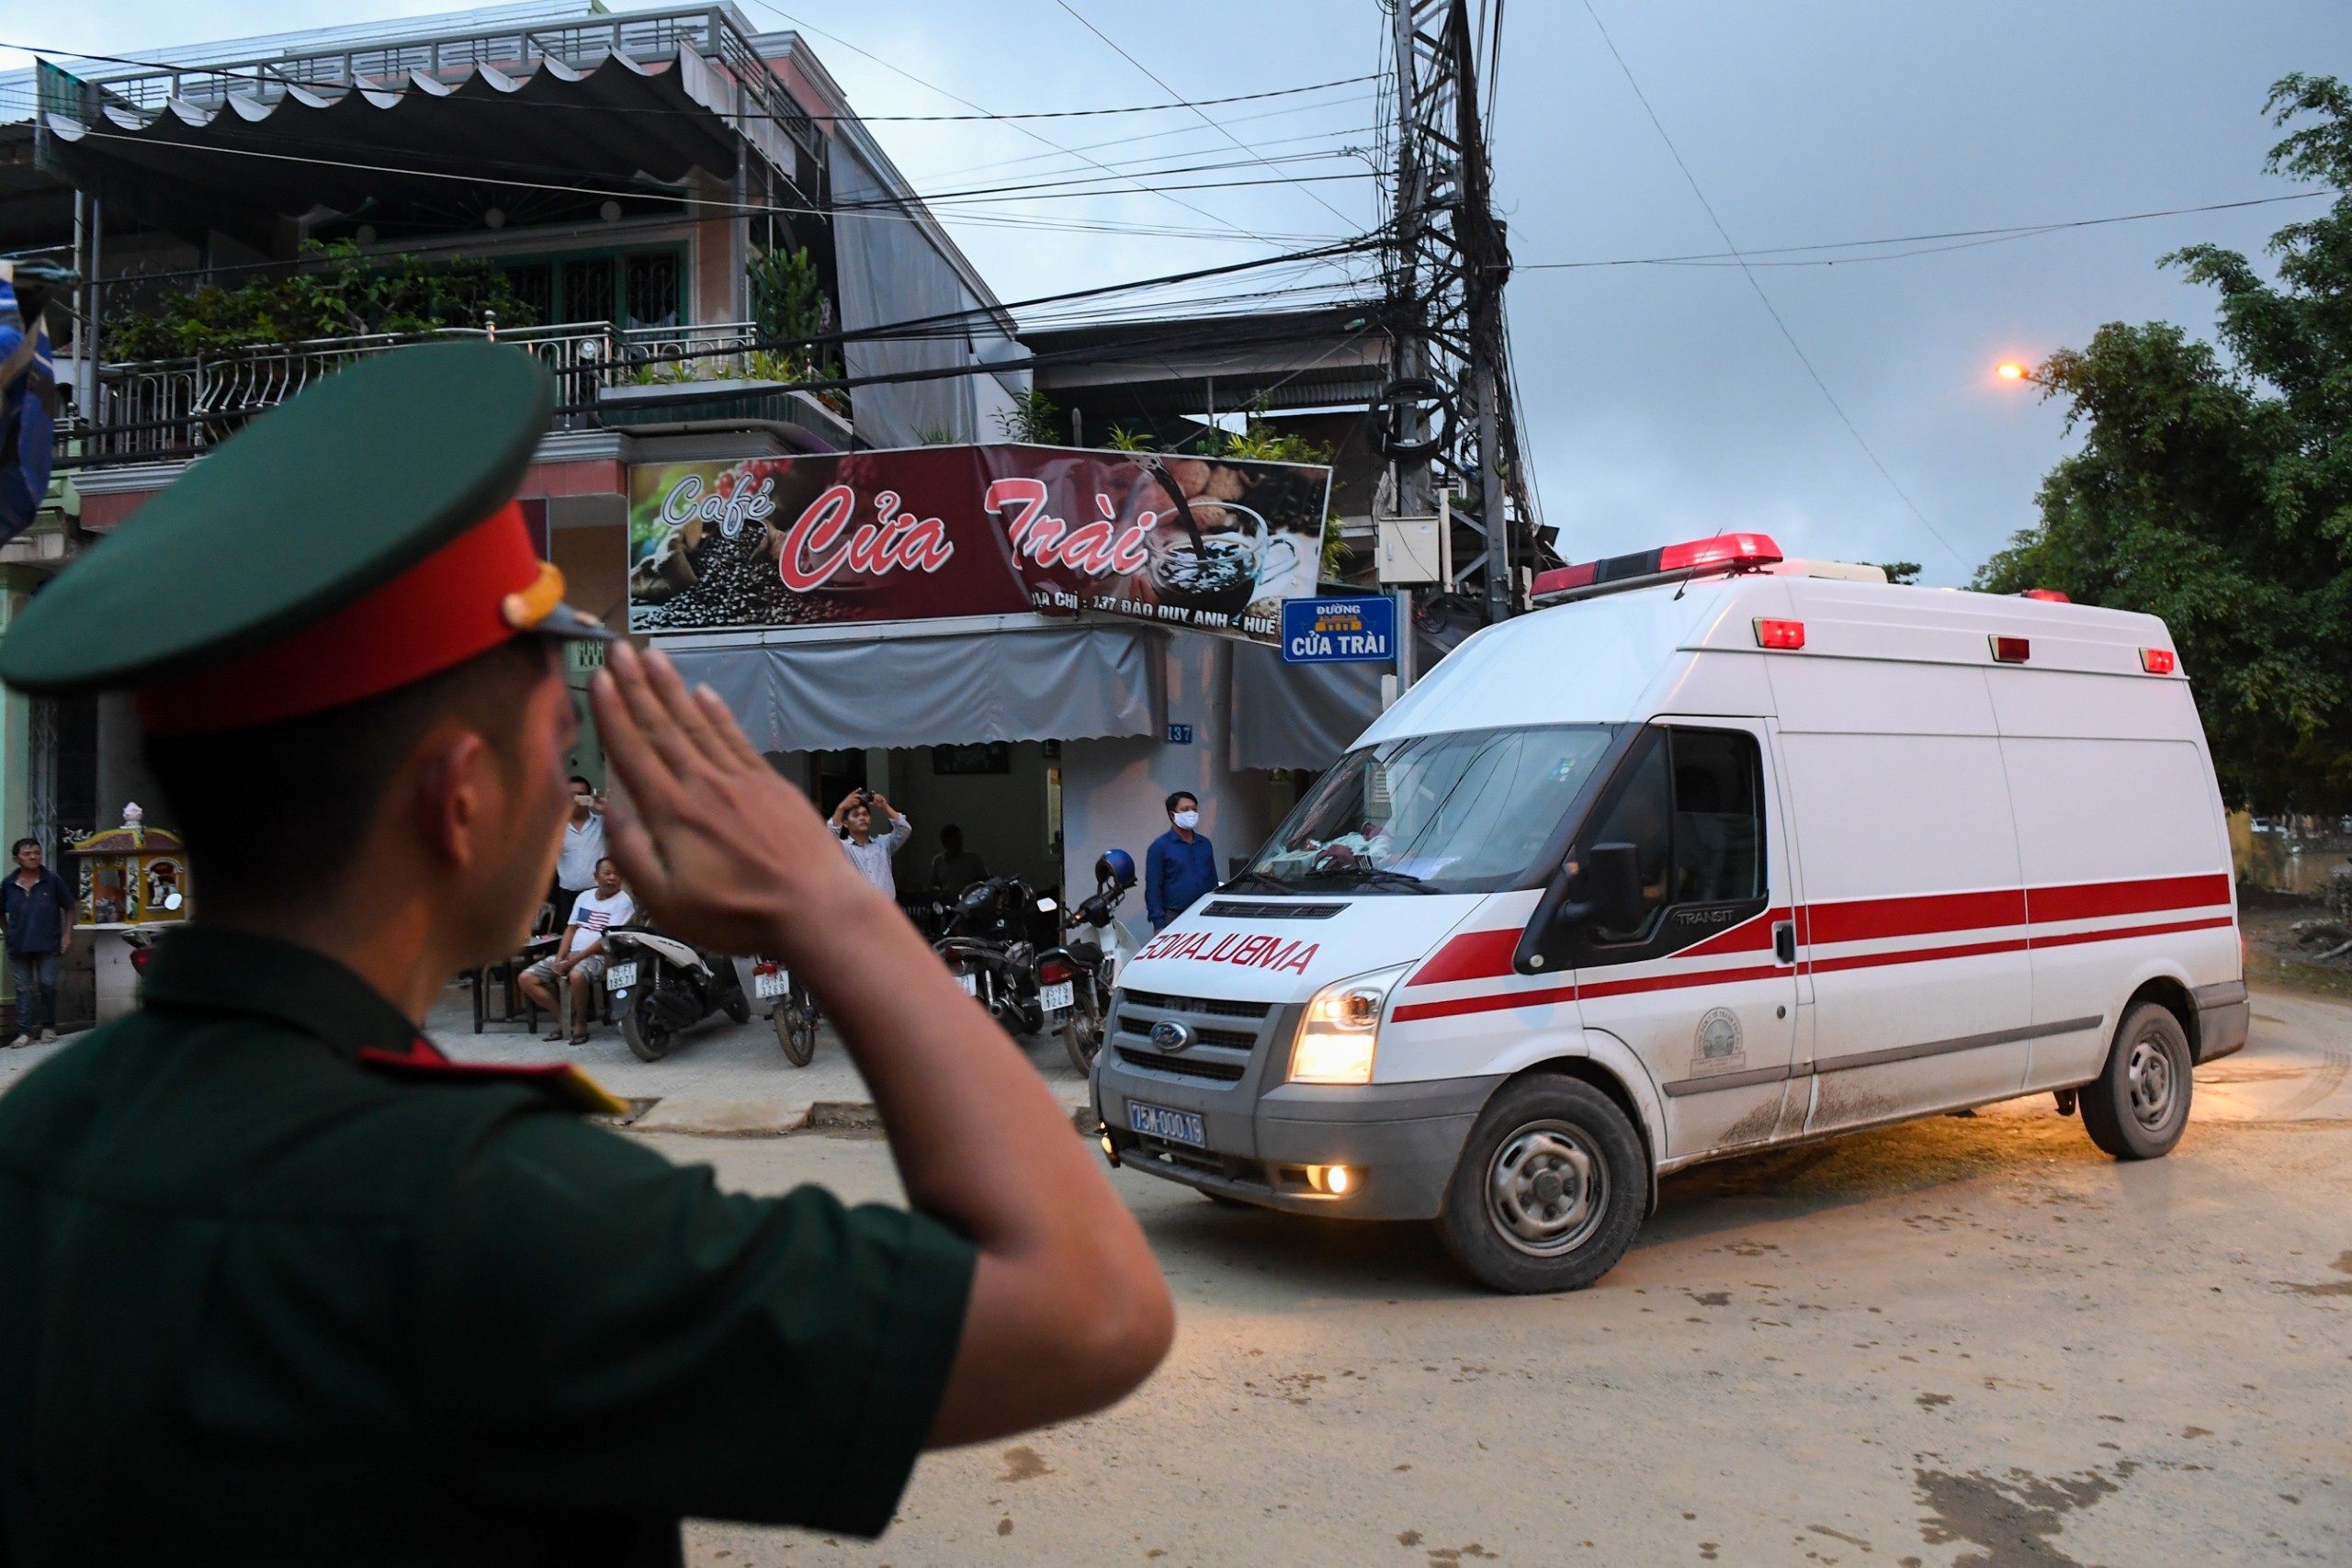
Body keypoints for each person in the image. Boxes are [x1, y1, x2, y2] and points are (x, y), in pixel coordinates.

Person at [0, 341, 1170, 1565]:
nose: (575, 786)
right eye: (557, 743)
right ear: (458, 799)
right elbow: (1090, 1305)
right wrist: (829, 902)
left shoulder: (43, 1135)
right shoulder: (490, 1219)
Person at [516, 855, 634, 1044]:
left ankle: (580, 1022)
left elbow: (606, 940)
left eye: (617, 874)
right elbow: (571, 929)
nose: (612, 878)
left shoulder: (623, 902)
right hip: (572, 955)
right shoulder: (584, 897)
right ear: (596, 876)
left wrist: (572, 961)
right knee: (526, 979)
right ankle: (563, 1018)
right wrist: (560, 958)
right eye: (607, 873)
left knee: (577, 976)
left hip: (600, 957)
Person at [2, 836, 73, 1046]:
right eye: (27, 854)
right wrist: (9, 932)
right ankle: (25, 1032)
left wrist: (67, 934)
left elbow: (69, 907)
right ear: (17, 859)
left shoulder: (52, 880)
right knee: (23, 988)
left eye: (36, 853)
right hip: (18, 945)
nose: (33, 857)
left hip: (48, 943)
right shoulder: (8, 884)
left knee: (47, 984)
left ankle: (48, 1027)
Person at [1146, 790, 1219, 932]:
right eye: (1185, 810)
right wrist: (1158, 924)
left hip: (1205, 914)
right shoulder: (1160, 847)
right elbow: (1153, 888)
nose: (1191, 813)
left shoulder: (1204, 844)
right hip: (1174, 916)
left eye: (1194, 809)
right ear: (1172, 815)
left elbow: (1212, 880)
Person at [830, 786, 913, 901]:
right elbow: (828, 839)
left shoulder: (883, 844)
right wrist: (841, 808)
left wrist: (885, 807)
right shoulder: (843, 848)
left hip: (887, 908)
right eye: (856, 815)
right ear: (845, 823)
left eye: (865, 814)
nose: (862, 818)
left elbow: (904, 829)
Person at [550, 773, 607, 912]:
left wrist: (606, 810)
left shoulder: (601, 823)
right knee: (569, 926)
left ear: (588, 798)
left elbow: (632, 828)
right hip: (567, 895)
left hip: (596, 893)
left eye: (580, 795)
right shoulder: (556, 828)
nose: (575, 800)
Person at [928, 822, 988, 899]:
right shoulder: (938, 861)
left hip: (969, 903)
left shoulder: (972, 859)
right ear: (945, 842)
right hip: (947, 903)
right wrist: (940, 892)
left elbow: (985, 881)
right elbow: (934, 884)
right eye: (956, 839)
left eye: (961, 839)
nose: (961, 842)